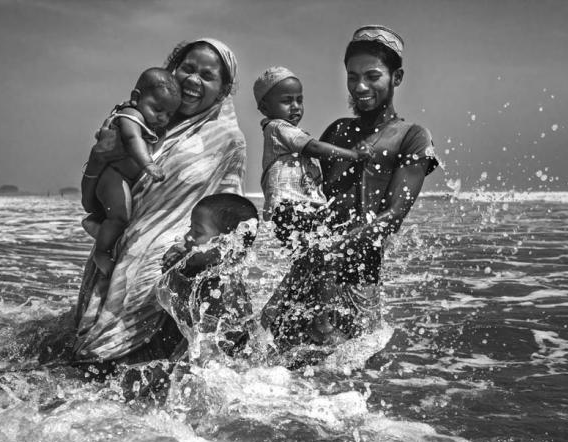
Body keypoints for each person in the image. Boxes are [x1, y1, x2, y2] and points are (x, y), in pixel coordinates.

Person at [74, 38, 247, 367]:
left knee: (137, 379)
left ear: (223, 91)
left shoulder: (229, 141)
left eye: (207, 76)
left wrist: (195, 252)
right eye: (188, 69)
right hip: (112, 261)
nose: (194, 80)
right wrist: (97, 160)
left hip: (169, 272)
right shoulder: (138, 123)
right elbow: (90, 202)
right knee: (86, 372)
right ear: (173, 69)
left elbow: (230, 216)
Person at [264, 26, 440, 343]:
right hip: (312, 270)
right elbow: (313, 196)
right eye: (352, 76)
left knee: (348, 372)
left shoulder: (413, 137)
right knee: (272, 357)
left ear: (396, 77)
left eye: (372, 76)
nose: (360, 86)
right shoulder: (337, 131)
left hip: (358, 278)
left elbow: (393, 215)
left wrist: (333, 249)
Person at [253, 66, 372, 344]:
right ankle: (323, 322)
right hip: (292, 210)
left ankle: (271, 314)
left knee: (310, 264)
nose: (295, 106)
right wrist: (353, 155)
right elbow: (314, 148)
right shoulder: (277, 128)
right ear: (264, 107)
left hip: (303, 210)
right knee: (326, 258)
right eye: (286, 100)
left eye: (299, 99)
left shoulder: (290, 131)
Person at [121, 193, 258, 400]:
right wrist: (171, 268)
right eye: (190, 229)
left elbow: (197, 354)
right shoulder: (205, 270)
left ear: (227, 243)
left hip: (215, 377)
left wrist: (160, 382)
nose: (188, 237)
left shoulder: (223, 293)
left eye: (198, 232)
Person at [84, 68, 181, 277]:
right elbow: (132, 139)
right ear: (136, 98)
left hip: (125, 178)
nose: (163, 118)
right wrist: (148, 165)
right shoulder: (130, 115)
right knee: (121, 216)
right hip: (114, 176)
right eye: (157, 109)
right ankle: (102, 252)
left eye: (169, 114)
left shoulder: (150, 121)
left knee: (121, 215)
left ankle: (98, 226)